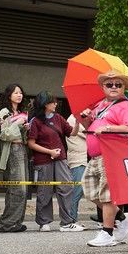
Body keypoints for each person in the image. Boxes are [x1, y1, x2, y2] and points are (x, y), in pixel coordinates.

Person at [80, 69, 128, 247]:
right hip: (95, 156)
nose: (113, 87)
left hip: (111, 155)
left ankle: (107, 233)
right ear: (103, 87)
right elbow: (88, 126)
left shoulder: (125, 106)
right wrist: (84, 119)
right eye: (109, 84)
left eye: (118, 85)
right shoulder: (101, 105)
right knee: (88, 190)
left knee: (107, 196)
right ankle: (122, 217)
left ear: (123, 88)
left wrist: (108, 128)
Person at [28, 91, 84, 232]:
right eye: (53, 102)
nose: (56, 104)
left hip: (60, 159)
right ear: (46, 104)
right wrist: (49, 152)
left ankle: (66, 222)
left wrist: (77, 122)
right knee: (44, 190)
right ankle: (44, 222)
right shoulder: (35, 121)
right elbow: (31, 143)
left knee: (66, 187)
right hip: (43, 160)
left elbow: (72, 133)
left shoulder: (58, 118)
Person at [0, 83, 29, 233]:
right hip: (12, 152)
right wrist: (18, 124)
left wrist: (25, 128)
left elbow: (22, 137)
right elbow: (3, 134)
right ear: (9, 95)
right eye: (16, 93)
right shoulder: (4, 112)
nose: (19, 95)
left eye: (21, 93)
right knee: (18, 188)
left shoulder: (21, 112)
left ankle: (15, 223)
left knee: (23, 188)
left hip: (21, 149)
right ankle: (7, 223)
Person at [66, 114, 88, 222]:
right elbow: (89, 134)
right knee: (76, 192)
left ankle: (73, 218)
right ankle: (71, 219)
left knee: (79, 191)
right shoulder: (73, 119)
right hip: (78, 160)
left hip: (83, 159)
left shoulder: (80, 117)